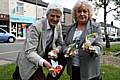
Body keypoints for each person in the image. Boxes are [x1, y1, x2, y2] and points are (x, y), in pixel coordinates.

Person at [14, 3, 64, 80]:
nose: (55, 19)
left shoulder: (58, 25)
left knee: (63, 56)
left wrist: (56, 50)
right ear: (47, 15)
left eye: (58, 17)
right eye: (52, 16)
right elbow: (30, 52)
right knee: (26, 75)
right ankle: (18, 74)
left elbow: (61, 44)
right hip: (29, 58)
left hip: (44, 54)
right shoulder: (36, 27)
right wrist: (44, 63)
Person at [64, 1, 103, 80]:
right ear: (75, 13)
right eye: (79, 11)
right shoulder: (70, 28)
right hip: (74, 67)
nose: (82, 14)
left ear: (89, 13)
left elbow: (99, 46)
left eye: (84, 11)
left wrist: (93, 49)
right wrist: (67, 51)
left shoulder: (95, 27)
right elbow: (64, 45)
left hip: (90, 70)